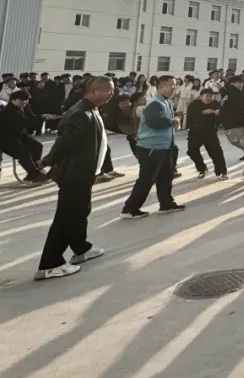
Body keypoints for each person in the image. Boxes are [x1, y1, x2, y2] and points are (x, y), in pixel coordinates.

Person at [34, 77, 115, 280]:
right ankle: (50, 264)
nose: (112, 93)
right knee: (66, 217)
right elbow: (64, 143)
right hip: (73, 174)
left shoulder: (91, 109)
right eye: (109, 90)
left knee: (80, 212)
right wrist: (47, 161)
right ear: (94, 91)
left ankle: (81, 248)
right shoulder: (80, 113)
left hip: (84, 173)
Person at [121, 76, 186, 218]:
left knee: (166, 176)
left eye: (175, 85)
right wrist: (172, 121)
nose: (174, 88)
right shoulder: (155, 103)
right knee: (146, 179)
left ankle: (166, 204)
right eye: (171, 85)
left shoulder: (165, 101)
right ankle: (129, 209)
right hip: (151, 147)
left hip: (163, 146)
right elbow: (155, 123)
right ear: (161, 87)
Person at [0, 90, 49, 184]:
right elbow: (26, 122)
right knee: (24, 152)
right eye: (22, 100)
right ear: (13, 100)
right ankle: (33, 174)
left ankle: (34, 169)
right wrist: (43, 118)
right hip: (5, 139)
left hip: (20, 135)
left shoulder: (24, 107)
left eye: (26, 100)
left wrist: (42, 116)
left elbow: (31, 117)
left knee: (37, 146)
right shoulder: (9, 111)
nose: (25, 102)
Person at [186, 88, 228, 179]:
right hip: (195, 132)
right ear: (201, 97)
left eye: (210, 96)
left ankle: (221, 171)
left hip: (210, 132)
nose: (208, 98)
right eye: (206, 96)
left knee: (216, 152)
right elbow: (190, 116)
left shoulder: (215, 104)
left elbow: (220, 119)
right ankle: (202, 168)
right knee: (192, 150)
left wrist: (218, 114)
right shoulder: (194, 104)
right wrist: (203, 112)